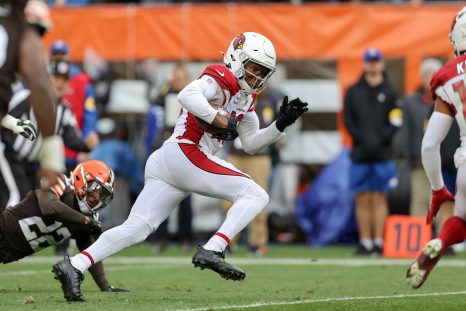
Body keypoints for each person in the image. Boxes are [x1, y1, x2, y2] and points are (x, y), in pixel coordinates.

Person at [51, 32, 308, 302]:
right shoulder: (222, 77)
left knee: (137, 228)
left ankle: (74, 265)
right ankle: (214, 248)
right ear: (236, 58)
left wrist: (281, 125)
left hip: (171, 160)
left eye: (262, 72)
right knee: (257, 194)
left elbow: (251, 144)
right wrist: (219, 119)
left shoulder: (245, 100)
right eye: (253, 69)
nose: (256, 77)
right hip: (185, 152)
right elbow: (187, 94)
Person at [0, 159, 127, 296]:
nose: (97, 198)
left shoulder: (88, 217)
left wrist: (105, 286)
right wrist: (85, 221)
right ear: (82, 179)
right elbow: (48, 207)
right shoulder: (59, 182)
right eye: (96, 189)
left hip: (8, 252)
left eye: (103, 195)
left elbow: (89, 251)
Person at [406, 6, 466, 289]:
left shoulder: (447, 76)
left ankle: (441, 241)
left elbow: (429, 145)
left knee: (461, 220)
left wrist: (438, 188)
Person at [0, 59, 95, 209]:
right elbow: (3, 116)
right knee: (15, 197)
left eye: (65, 79)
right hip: (8, 155)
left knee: (29, 202)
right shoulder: (27, 97)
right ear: (47, 79)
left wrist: (87, 144)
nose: (61, 83)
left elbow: (71, 139)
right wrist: (15, 128)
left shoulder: (65, 110)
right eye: (56, 77)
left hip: (30, 165)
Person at [0, 0, 65, 186]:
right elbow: (40, 85)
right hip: (15, 154)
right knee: (12, 206)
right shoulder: (18, 28)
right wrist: (51, 154)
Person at [343, 47, 400, 255]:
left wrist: (380, 140)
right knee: (362, 198)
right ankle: (365, 241)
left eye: (376, 60)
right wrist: (362, 139)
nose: (373, 64)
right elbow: (348, 120)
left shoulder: (391, 92)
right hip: (360, 152)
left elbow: (395, 120)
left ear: (382, 64)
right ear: (365, 63)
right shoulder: (353, 91)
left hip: (383, 153)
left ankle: (379, 241)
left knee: (379, 198)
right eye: (370, 60)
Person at [222, 86, 284, 256]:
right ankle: (227, 240)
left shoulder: (268, 103)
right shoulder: (236, 102)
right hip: (236, 155)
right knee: (228, 201)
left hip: (259, 157)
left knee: (258, 198)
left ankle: (258, 242)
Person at [49, 39, 99, 174]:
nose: (60, 83)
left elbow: (90, 112)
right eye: (56, 55)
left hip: (73, 146)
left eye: (62, 55)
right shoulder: (40, 78)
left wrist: (88, 138)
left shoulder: (82, 81)